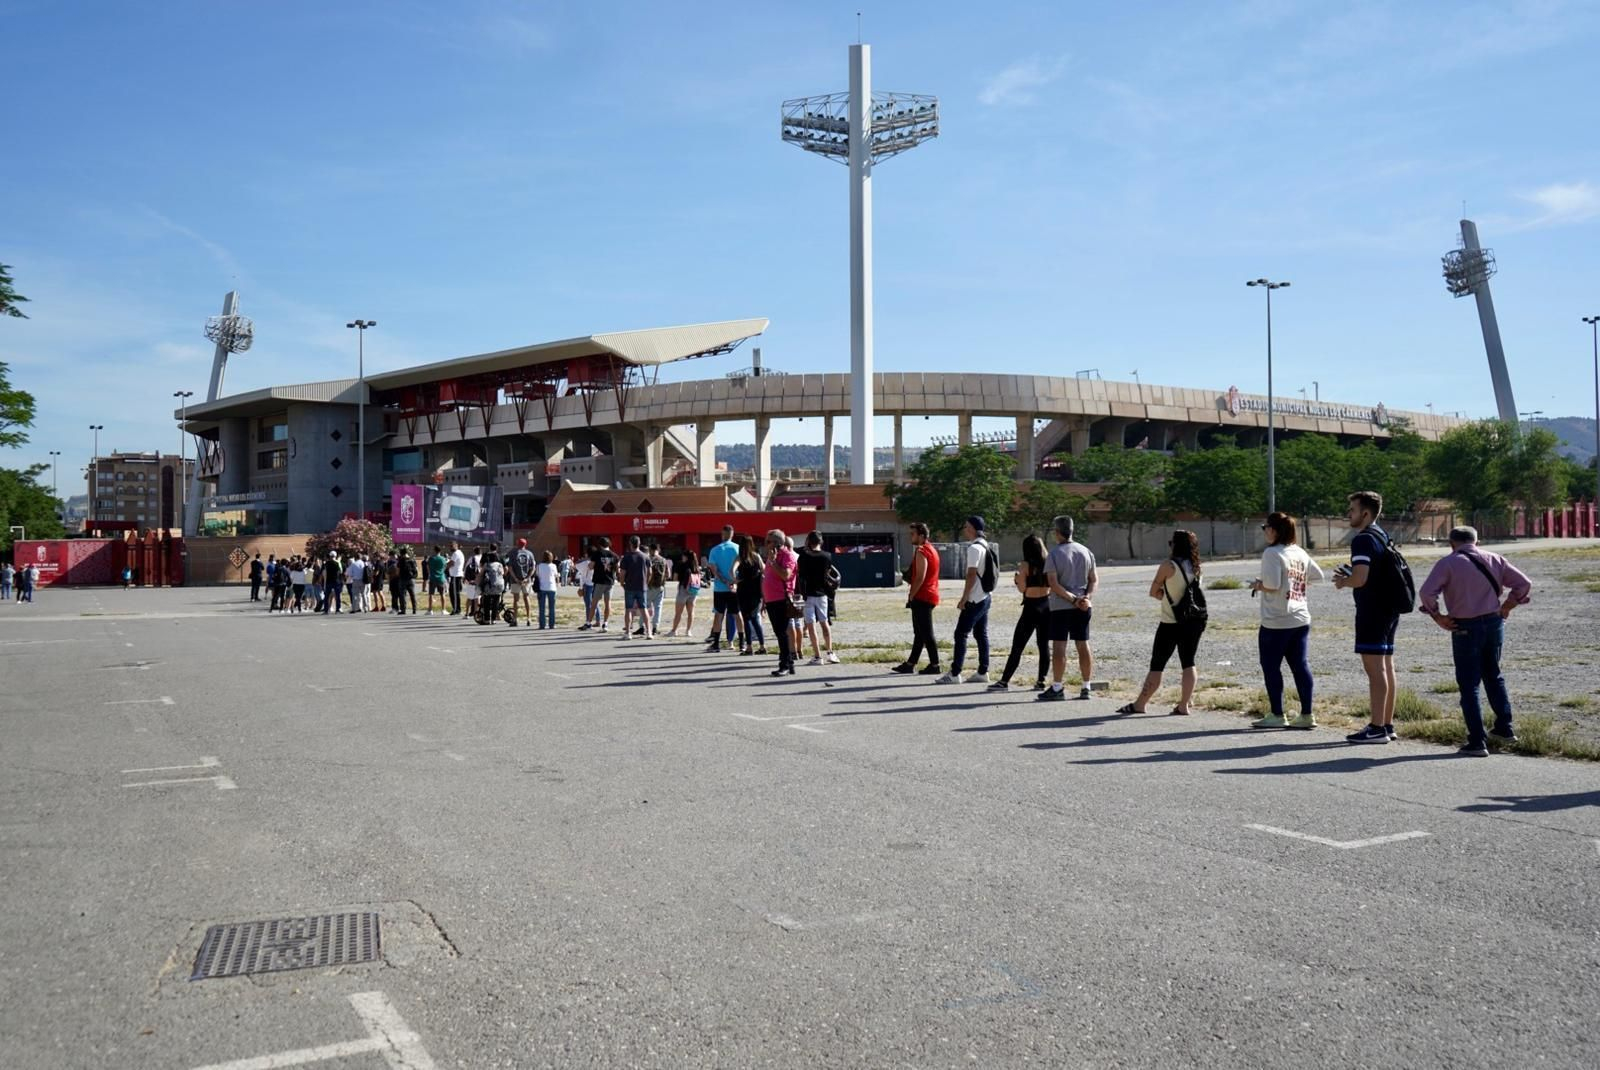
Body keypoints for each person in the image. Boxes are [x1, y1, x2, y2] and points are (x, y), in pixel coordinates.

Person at [1419, 526, 1532, 757]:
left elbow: (1426, 593)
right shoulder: (1495, 559)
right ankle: (1504, 727)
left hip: (1464, 626)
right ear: (1476, 541)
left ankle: (1477, 740)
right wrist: (1508, 604)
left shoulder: (1448, 563)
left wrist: (1438, 616)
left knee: (1469, 684)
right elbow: (1523, 583)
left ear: (1451, 543)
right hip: (1494, 622)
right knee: (1493, 674)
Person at [1333, 490, 1401, 744]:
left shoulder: (1362, 539)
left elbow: (1360, 579)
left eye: (1351, 509)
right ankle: (1386, 724)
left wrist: (1343, 581)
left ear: (1365, 513)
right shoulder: (1382, 535)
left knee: (1374, 669)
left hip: (1373, 610)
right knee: (1386, 667)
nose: (1348, 514)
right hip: (1389, 608)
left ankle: (1376, 728)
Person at [1118, 530, 1208, 716]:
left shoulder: (1169, 565)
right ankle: (1184, 705)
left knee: (1157, 664)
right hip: (1194, 620)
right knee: (1188, 662)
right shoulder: (1197, 566)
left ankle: (1140, 704)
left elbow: (1154, 591)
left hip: (1171, 621)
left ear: (1175, 545)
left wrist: (1168, 599)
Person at [1248, 513, 1325, 730]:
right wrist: (1296, 582)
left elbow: (1272, 584)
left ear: (1274, 530)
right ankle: (1307, 714)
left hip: (1276, 620)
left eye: (1265, 527)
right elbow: (1318, 575)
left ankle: (1277, 713)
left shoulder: (1272, 553)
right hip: (1300, 617)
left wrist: (1258, 585)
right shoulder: (1298, 552)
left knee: (1271, 667)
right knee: (1300, 665)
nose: (1264, 531)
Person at [1040, 515, 1097, 702]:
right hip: (1083, 605)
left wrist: (1072, 599)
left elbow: (1053, 583)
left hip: (1062, 606)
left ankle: (1057, 686)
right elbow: (1093, 580)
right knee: (1083, 643)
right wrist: (1085, 597)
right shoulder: (1086, 551)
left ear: (1057, 533)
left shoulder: (1055, 554)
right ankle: (1086, 686)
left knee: (1059, 645)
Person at [989, 533, 1051, 692]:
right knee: (1043, 646)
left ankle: (1004, 681)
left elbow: (1022, 588)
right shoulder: (1049, 562)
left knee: (1018, 645)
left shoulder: (1024, 566)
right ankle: (1041, 681)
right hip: (1046, 604)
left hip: (1031, 606)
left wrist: (1017, 580)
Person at [940, 516, 996, 684]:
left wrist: (964, 598)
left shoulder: (974, 549)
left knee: (961, 634)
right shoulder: (986, 545)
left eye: (966, 527)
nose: (964, 530)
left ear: (972, 528)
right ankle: (983, 671)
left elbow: (971, 574)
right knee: (981, 634)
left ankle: (955, 673)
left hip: (975, 598)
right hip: (986, 596)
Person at [891, 522, 942, 675]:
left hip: (923, 596)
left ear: (921, 535)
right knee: (920, 633)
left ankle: (935, 664)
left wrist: (912, 595)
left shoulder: (921, 551)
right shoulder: (932, 549)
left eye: (912, 534)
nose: (910, 537)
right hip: (930, 594)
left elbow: (920, 576)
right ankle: (910, 663)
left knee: (926, 632)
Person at [797, 531, 839, 665]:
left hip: (808, 594)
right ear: (821, 542)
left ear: (809, 541)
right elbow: (827, 574)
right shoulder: (827, 556)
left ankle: (817, 656)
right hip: (822, 594)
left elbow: (801, 575)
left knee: (810, 625)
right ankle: (830, 652)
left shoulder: (803, 556)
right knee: (824, 623)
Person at [762, 529, 799, 676]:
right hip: (771, 599)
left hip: (782, 599)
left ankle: (784, 664)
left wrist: (772, 561)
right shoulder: (771, 556)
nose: (765, 544)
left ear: (777, 543)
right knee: (779, 633)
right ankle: (789, 663)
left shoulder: (787, 555)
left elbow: (786, 575)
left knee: (782, 633)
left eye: (768, 541)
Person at [704, 525, 743, 653]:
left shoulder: (715, 550)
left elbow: (715, 571)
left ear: (722, 534)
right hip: (735, 587)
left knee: (718, 615)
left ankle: (716, 644)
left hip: (720, 588)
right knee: (737, 614)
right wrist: (733, 582)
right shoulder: (738, 548)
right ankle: (742, 643)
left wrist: (724, 581)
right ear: (732, 534)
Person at [734, 535, 767, 655]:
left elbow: (732, 569)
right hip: (756, 591)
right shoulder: (756, 556)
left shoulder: (740, 558)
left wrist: (735, 580)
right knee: (755, 618)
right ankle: (762, 646)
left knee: (746, 619)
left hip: (743, 591)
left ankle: (749, 647)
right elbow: (764, 571)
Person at [618, 535, 651, 640]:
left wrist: (621, 583)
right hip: (642, 586)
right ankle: (649, 632)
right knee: (644, 609)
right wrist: (646, 582)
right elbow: (650, 572)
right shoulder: (645, 556)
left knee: (628, 609)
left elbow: (622, 573)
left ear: (630, 544)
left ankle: (628, 632)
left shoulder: (626, 557)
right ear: (639, 543)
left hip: (630, 586)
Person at [667, 550, 701, 638]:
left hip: (683, 589)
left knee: (678, 612)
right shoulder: (696, 566)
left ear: (686, 557)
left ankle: (674, 630)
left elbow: (675, 578)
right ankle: (688, 630)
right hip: (694, 590)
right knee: (691, 612)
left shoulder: (681, 565)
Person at [588, 536, 618, 632]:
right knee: (607, 603)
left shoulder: (597, 554)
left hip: (599, 581)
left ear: (600, 545)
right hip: (610, 581)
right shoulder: (615, 556)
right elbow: (617, 569)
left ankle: (588, 622)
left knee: (594, 602)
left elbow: (591, 566)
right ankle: (605, 623)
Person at [508, 538, 536, 622]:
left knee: (516, 599)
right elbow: (533, 567)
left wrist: (516, 578)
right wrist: (527, 578)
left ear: (517, 544)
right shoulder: (530, 554)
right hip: (526, 580)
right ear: (525, 545)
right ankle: (528, 618)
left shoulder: (512, 553)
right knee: (526, 598)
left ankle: (515, 618)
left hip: (515, 579)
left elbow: (510, 567)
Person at [644, 542, 669, 637]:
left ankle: (643, 626)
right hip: (660, 587)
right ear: (658, 549)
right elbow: (668, 574)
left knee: (645, 607)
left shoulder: (647, 559)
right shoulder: (663, 560)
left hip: (649, 586)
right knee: (658, 607)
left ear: (650, 549)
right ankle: (655, 626)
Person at [535, 550, 559, 629]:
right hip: (552, 587)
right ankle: (551, 624)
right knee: (551, 607)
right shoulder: (553, 566)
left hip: (542, 587)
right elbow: (556, 576)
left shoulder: (539, 566)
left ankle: (542, 624)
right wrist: (557, 584)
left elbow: (537, 576)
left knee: (542, 608)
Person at [423, 545, 447, 615]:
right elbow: (445, 566)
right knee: (442, 594)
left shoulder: (431, 558)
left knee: (431, 594)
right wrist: (441, 572)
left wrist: (430, 573)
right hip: (441, 578)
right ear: (440, 551)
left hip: (433, 577)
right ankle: (443, 610)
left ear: (434, 550)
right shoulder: (443, 559)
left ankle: (430, 610)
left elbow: (427, 567)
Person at [575, 552, 595, 630]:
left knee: (588, 604)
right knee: (595, 603)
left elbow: (576, 564)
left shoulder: (585, 563)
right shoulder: (595, 562)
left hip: (587, 584)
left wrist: (584, 559)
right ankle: (598, 620)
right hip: (594, 583)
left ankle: (588, 621)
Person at [396, 549, 418, 615]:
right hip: (411, 579)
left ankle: (403, 610)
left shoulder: (401, 561)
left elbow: (398, 571)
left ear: (401, 553)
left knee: (402, 595)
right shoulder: (412, 560)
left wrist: (398, 576)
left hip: (403, 579)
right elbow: (416, 569)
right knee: (412, 594)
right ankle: (414, 609)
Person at [446, 541, 465, 615]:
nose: (450, 547)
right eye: (450, 546)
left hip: (455, 575)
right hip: (455, 575)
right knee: (453, 592)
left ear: (456, 546)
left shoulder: (456, 553)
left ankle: (456, 609)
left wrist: (445, 566)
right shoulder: (458, 553)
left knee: (454, 593)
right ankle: (456, 608)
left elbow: (451, 563)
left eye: (452, 546)